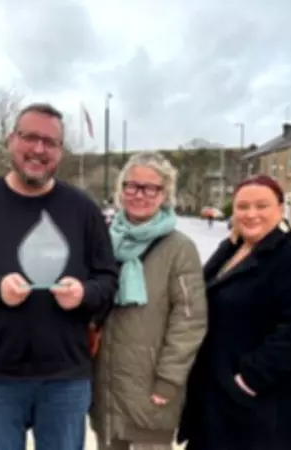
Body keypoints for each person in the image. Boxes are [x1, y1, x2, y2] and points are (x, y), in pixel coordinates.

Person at [0, 102, 119, 450]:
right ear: (10, 140)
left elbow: (108, 280)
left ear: (60, 151)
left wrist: (85, 294)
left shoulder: (83, 210)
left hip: (65, 377)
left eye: (50, 142)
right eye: (30, 137)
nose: (38, 149)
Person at [178, 175, 291, 450]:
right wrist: (229, 244)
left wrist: (249, 379)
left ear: (280, 209)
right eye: (242, 207)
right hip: (215, 399)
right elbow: (205, 290)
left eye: (262, 206)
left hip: (261, 407)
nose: (251, 214)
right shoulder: (234, 249)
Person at [90, 152, 207, 450]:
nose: (139, 194)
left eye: (150, 188)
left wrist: (169, 380)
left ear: (164, 194)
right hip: (105, 383)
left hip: (150, 386)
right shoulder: (103, 240)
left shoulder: (179, 248)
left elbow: (189, 320)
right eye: (131, 186)